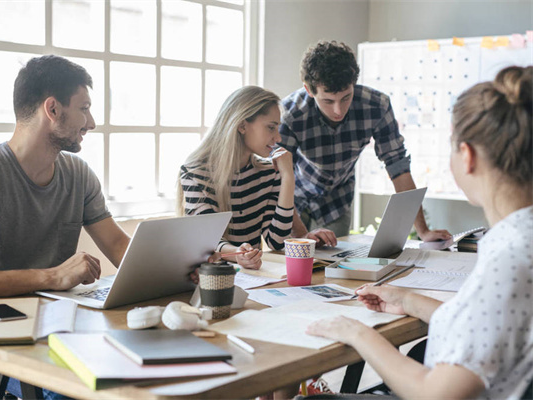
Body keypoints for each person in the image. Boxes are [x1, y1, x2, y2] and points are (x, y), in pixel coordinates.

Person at [306, 65, 533, 399]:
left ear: (466, 156)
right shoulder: (519, 241)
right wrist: (408, 299)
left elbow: (437, 394)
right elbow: (489, 325)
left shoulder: (511, 258)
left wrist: (357, 333)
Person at [0, 55, 131, 400]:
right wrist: (49, 277)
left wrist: (176, 266)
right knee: (78, 388)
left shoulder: (78, 174)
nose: (92, 122)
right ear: (52, 109)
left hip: (54, 324)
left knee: (126, 372)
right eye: (84, 108)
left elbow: (117, 244)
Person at [279, 40, 451, 243]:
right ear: (309, 90)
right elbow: (279, 177)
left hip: (337, 202)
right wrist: (301, 235)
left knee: (333, 264)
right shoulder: (290, 113)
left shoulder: (377, 106)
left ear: (354, 84)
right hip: (291, 199)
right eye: (328, 101)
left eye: (345, 98)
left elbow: (399, 168)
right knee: (293, 264)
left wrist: (423, 231)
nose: (338, 110)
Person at [177, 86, 296, 270]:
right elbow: (207, 241)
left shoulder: (268, 173)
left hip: (254, 280)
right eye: (271, 127)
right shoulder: (195, 173)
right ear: (242, 125)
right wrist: (237, 255)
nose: (278, 138)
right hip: (210, 279)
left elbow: (277, 242)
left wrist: (288, 178)